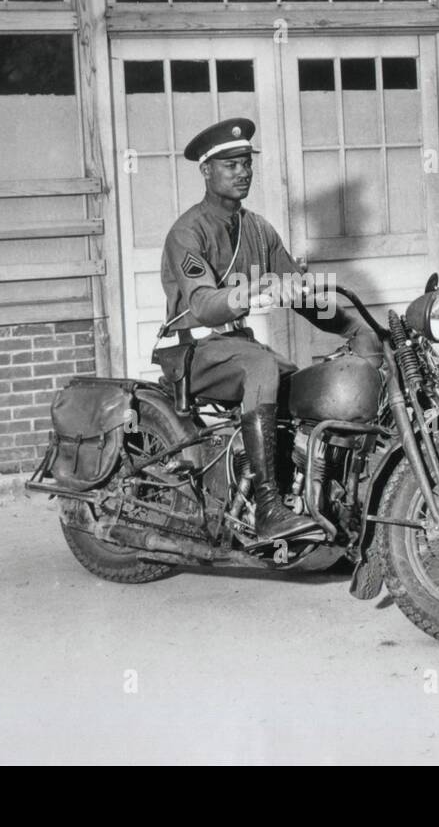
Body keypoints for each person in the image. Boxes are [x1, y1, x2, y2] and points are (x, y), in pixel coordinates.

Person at [157, 117, 377, 542]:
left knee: (299, 382)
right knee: (261, 367)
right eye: (230, 165)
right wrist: (254, 288)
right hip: (193, 351)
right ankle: (269, 510)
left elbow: (300, 295)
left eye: (246, 163)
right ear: (206, 171)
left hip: (235, 346)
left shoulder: (258, 229)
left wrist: (356, 326)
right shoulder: (188, 231)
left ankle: (312, 495)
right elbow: (202, 306)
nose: (242, 172)